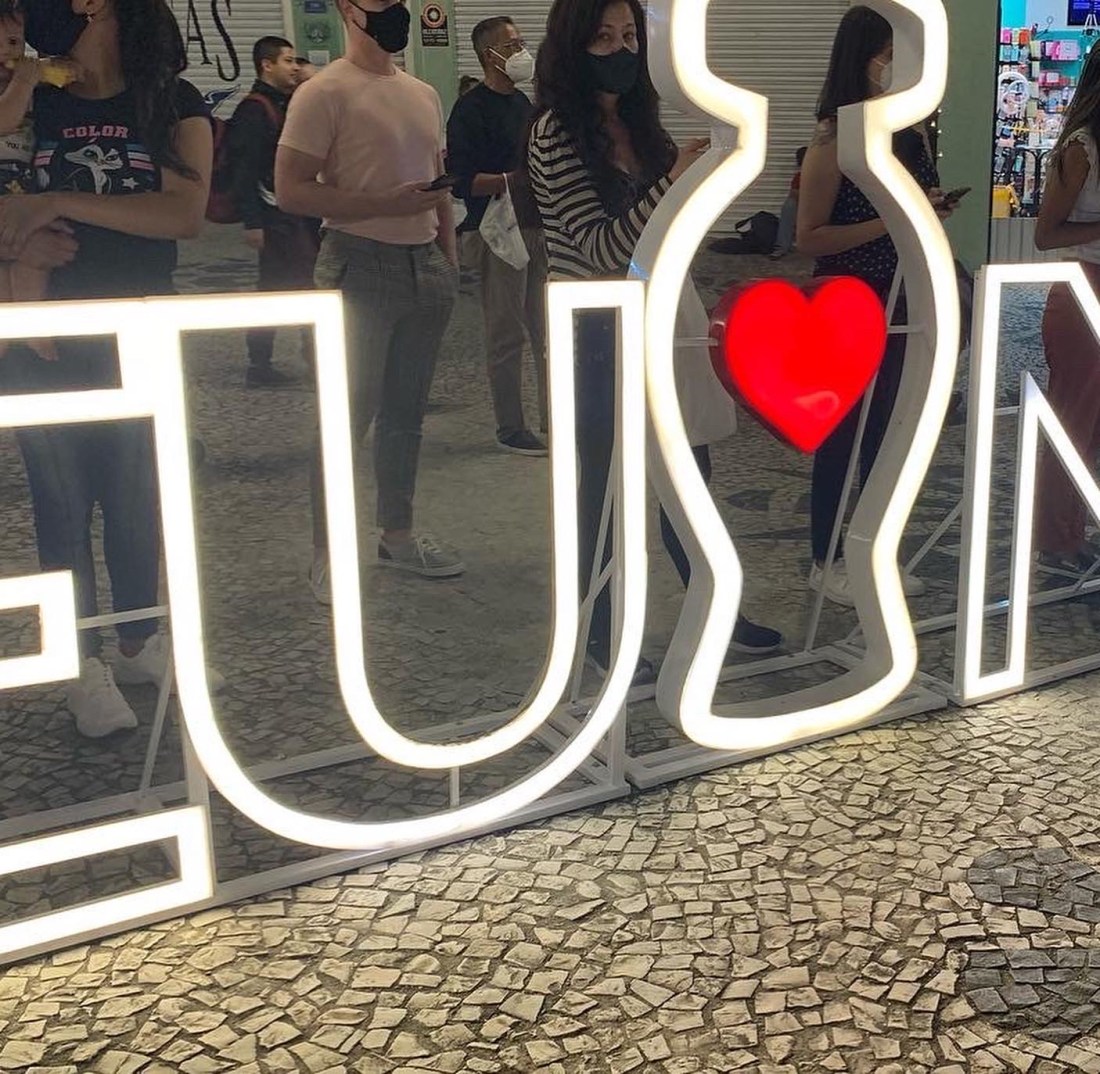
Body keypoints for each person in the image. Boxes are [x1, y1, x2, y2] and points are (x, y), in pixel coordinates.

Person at [527, 0, 782, 683]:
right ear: (573, 46)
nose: (620, 49)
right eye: (602, 37)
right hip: (598, 325)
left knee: (689, 474)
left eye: (629, 35)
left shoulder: (643, 124)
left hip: (667, 312)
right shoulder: (554, 133)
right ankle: (601, 634)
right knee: (604, 491)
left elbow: (670, 231)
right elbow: (599, 249)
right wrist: (670, 185)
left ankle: (714, 607)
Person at [0, 0, 215, 736]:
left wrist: (57, 201)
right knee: (60, 499)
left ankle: (137, 638)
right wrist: (17, 245)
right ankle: (80, 662)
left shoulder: (172, 101)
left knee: (134, 491)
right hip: (42, 334)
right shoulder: (32, 99)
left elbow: (183, 214)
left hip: (140, 325)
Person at [276, 0, 464, 598]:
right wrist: (385, 204)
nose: (392, 9)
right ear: (346, 8)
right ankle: (328, 550)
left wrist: (448, 258)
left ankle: (397, 534)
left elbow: (437, 181)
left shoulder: (423, 93)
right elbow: (290, 190)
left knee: (406, 415)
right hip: (358, 264)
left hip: (424, 265)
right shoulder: (323, 92)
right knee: (345, 416)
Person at [796, 4, 949, 607]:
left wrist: (927, 211)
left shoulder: (910, 135)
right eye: (888, 55)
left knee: (887, 430)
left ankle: (870, 548)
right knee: (843, 432)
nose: (897, 67)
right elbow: (809, 237)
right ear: (862, 58)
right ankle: (826, 556)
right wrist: (892, 221)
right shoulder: (835, 140)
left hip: (905, 294)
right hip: (849, 298)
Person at [447, 15, 547, 456]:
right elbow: (461, 181)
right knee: (507, 333)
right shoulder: (470, 110)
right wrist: (510, 180)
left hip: (535, 226)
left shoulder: (523, 103)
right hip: (495, 232)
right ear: (490, 55)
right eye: (512, 45)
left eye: (522, 42)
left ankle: (554, 416)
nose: (522, 52)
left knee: (546, 329)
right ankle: (510, 426)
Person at [1034, 43, 1100, 572]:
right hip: (1083, 291)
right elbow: (1046, 233)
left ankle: (1072, 531)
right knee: (1073, 421)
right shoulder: (1081, 149)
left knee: (1091, 425)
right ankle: (1055, 540)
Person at [230, 35, 319, 389]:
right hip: (277, 214)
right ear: (266, 65)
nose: (295, 67)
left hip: (294, 212)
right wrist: (252, 222)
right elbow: (244, 170)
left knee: (276, 287)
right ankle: (309, 360)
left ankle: (262, 362)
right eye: (288, 61)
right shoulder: (254, 110)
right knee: (305, 285)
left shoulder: (285, 102)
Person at [0, 0, 80, 359]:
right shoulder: (21, 83)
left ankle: (34, 333)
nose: (5, 52)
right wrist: (25, 79)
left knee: (32, 258)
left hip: (24, 187)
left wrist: (61, 70)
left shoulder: (28, 81)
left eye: (13, 42)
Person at [771, 145, 806, 259]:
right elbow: (793, 194)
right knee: (789, 205)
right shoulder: (799, 177)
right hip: (806, 206)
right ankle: (781, 247)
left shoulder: (825, 175)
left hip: (823, 206)